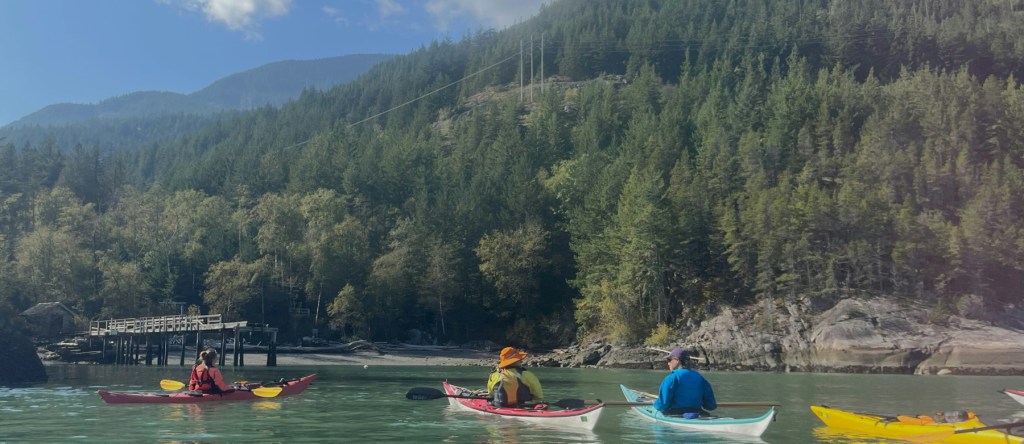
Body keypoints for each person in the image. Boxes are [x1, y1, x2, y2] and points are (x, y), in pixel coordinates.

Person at [653, 347, 716, 418]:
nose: (668, 363)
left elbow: (662, 406)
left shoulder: (672, 378)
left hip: (675, 414)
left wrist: (655, 404)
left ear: (677, 360)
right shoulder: (700, 378)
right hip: (697, 413)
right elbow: (711, 406)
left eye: (669, 360)